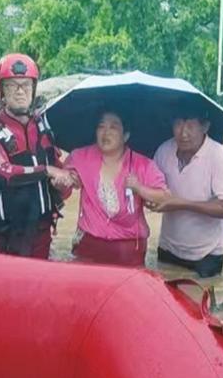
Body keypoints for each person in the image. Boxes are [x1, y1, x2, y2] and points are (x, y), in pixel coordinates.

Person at [0, 53, 72, 258]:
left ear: (33, 90)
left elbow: (59, 175)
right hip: (1, 236)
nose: (19, 92)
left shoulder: (43, 128)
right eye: (11, 86)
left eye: (25, 85)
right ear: (1, 91)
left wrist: (63, 183)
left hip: (40, 233)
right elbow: (4, 173)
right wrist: (46, 171)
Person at [64, 110, 168, 267]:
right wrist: (68, 180)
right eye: (101, 126)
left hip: (128, 247)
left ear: (125, 135)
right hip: (89, 243)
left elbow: (164, 196)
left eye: (113, 127)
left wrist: (139, 188)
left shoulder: (143, 165)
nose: (106, 133)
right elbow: (63, 187)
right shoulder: (80, 157)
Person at [151, 108, 223, 278]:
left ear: (205, 127)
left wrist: (181, 203)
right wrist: (151, 200)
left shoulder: (218, 155)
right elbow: (154, 189)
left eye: (191, 126)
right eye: (178, 125)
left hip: (207, 253)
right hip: (168, 247)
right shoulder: (164, 150)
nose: (183, 133)